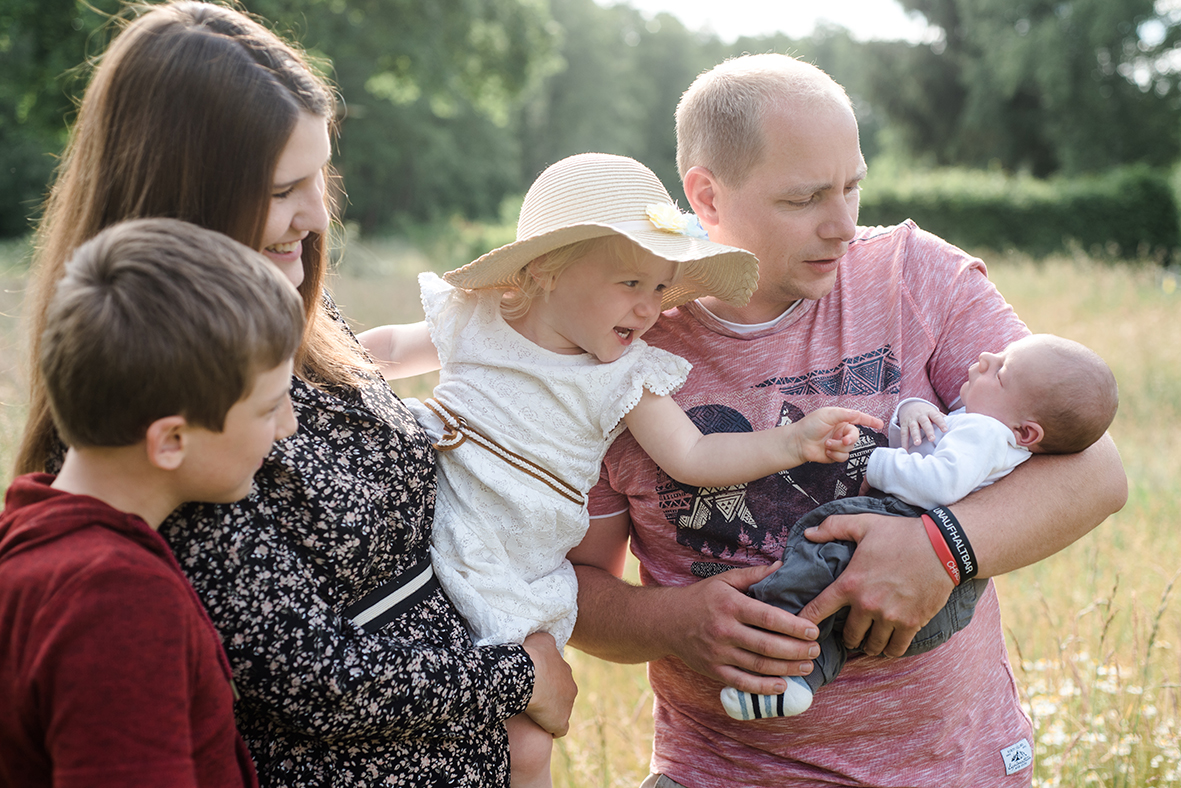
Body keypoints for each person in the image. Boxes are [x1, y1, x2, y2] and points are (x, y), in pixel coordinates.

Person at [14, 3, 575, 786]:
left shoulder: (285, 312)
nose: (315, 217)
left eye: (319, 175)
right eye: (283, 189)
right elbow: (300, 673)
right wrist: (515, 678)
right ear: (190, 195)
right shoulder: (172, 408)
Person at [566, 54, 1127, 787]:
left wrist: (941, 548)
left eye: (852, 187)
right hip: (723, 770)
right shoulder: (615, 341)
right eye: (803, 199)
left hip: (953, 768)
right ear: (706, 196)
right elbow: (576, 585)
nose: (841, 226)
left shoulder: (916, 276)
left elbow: (1096, 471)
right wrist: (672, 624)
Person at [359, 152, 883, 787]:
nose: (646, 310)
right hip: (422, 535)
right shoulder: (478, 317)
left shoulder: (627, 375)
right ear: (548, 271)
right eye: (630, 284)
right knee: (399, 713)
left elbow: (694, 458)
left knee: (522, 742)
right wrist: (318, 367)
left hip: (515, 570)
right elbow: (384, 351)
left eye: (660, 289)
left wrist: (792, 443)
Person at [0, 218, 304, 788]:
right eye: (268, 409)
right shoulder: (116, 603)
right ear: (170, 440)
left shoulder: (34, 535)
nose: (286, 428)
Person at [720, 333, 1119, 720]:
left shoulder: (987, 433)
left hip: (909, 525)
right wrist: (912, 410)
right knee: (838, 623)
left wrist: (873, 462)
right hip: (946, 596)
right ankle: (798, 682)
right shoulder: (993, 429)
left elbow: (938, 483)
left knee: (819, 551)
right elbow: (931, 446)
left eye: (1000, 372)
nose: (984, 358)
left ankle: (768, 630)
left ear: (1027, 431)